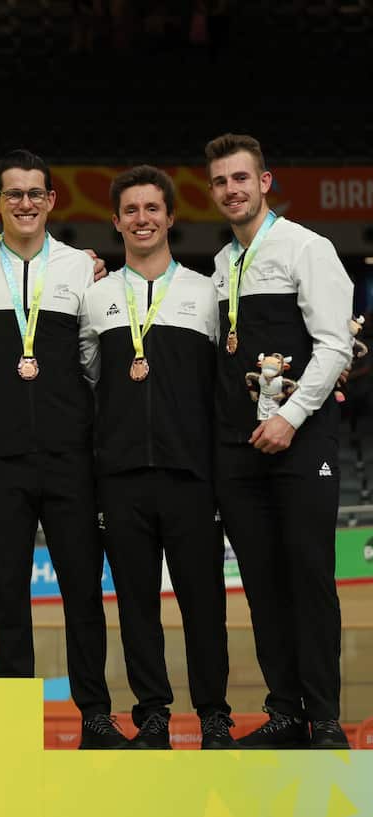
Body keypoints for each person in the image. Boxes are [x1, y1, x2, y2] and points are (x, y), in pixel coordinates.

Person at [0, 149, 125, 748]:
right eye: (13, 194)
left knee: (82, 590)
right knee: (5, 593)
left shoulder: (81, 267)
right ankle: (12, 725)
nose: (25, 203)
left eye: (36, 194)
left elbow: (92, 359)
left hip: (71, 456)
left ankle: (96, 718)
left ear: (52, 201)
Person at [205, 134, 353, 749]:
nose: (232, 190)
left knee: (309, 578)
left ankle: (325, 721)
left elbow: (335, 345)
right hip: (239, 452)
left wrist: (291, 416)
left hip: (301, 443)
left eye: (242, 178)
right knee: (261, 583)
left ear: (265, 182)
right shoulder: (220, 266)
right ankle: (286, 713)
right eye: (220, 182)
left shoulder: (307, 248)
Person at [81, 166, 234, 750]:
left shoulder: (206, 292)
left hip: (191, 476)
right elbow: (88, 378)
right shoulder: (96, 298)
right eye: (131, 210)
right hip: (119, 479)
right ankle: (153, 718)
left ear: (171, 217)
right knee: (137, 609)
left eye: (153, 209)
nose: (142, 219)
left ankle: (215, 718)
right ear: (116, 221)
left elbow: (225, 385)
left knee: (205, 607)